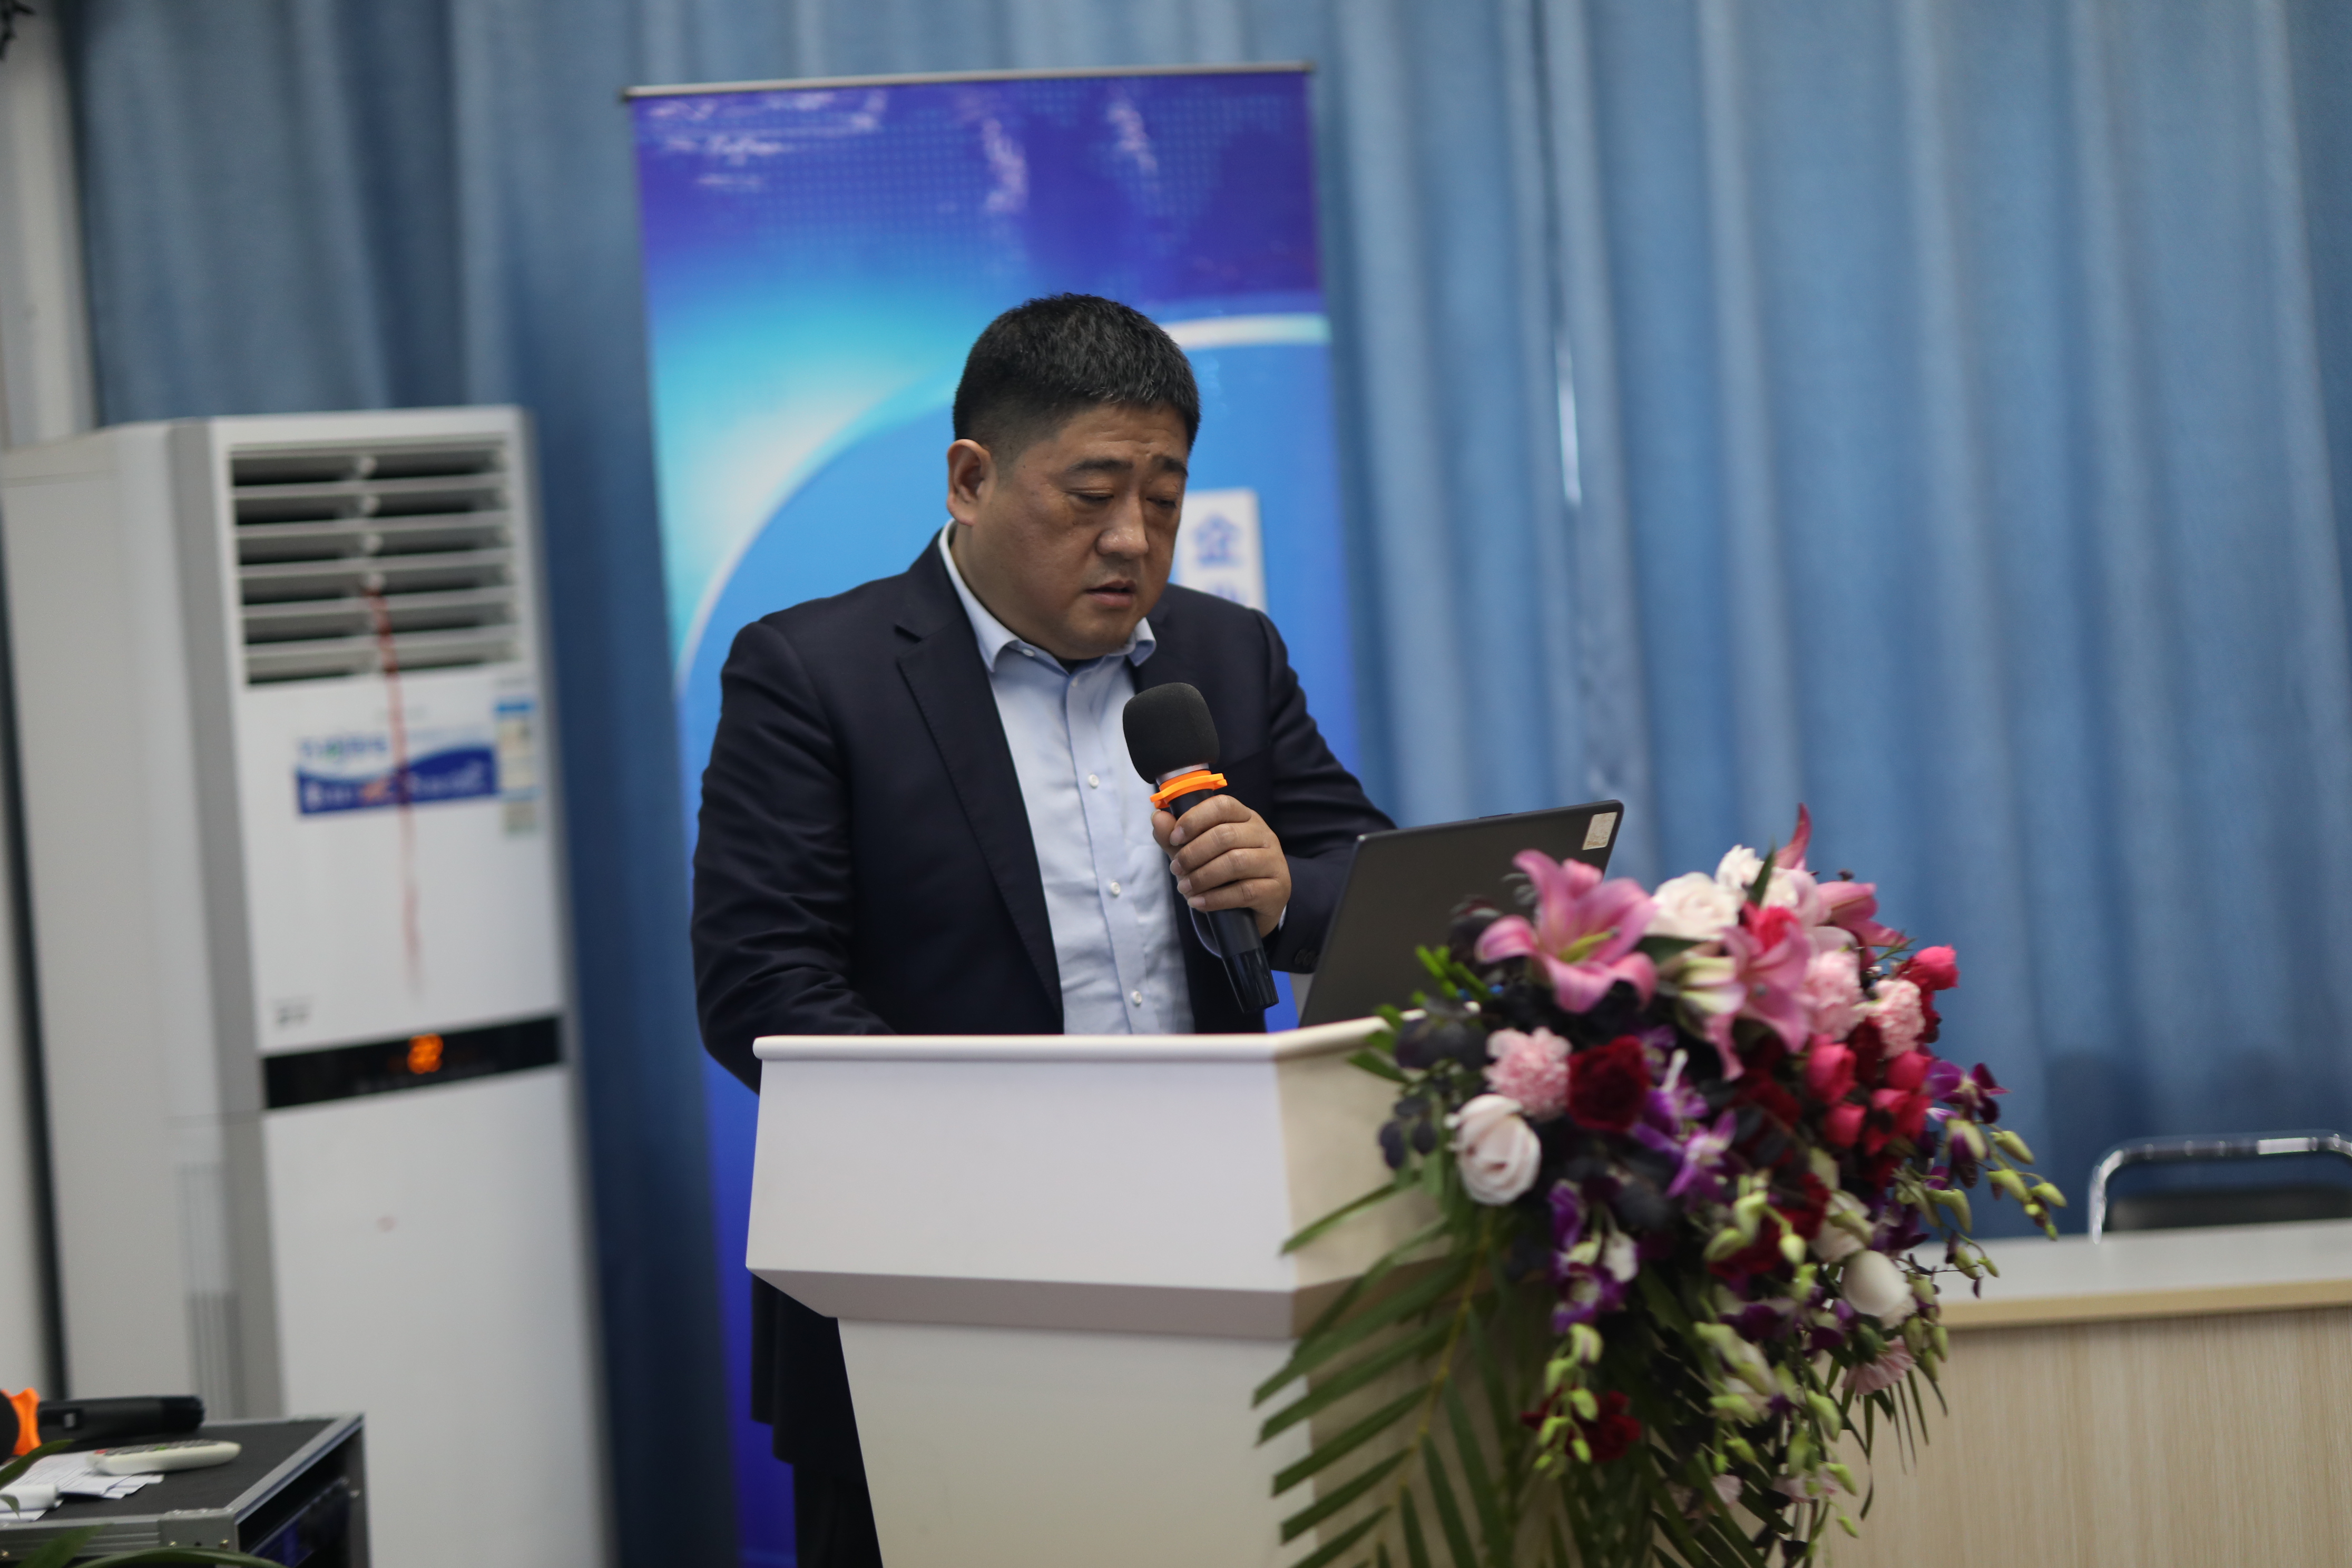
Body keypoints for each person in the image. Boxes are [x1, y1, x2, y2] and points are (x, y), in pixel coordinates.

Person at [691, 293, 1394, 1566]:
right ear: (971, 479)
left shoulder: (1227, 652)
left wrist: (1286, 888)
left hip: (1228, 1275)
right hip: (928, 1301)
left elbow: (1374, 883)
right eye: (1092, 495)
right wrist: (1018, 1156)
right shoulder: (813, 674)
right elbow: (762, 986)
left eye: (1165, 499)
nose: (1133, 539)